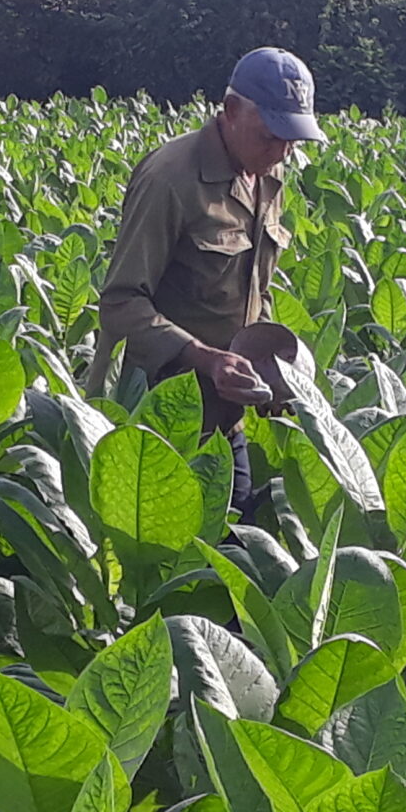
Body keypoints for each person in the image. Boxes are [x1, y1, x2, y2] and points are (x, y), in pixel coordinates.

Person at [90, 46, 323, 510]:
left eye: (292, 139)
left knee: (231, 550)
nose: (281, 151)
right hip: (151, 419)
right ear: (231, 112)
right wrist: (201, 357)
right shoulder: (170, 179)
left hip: (221, 417)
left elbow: (256, 288)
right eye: (270, 135)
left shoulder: (267, 175)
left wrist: (274, 369)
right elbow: (120, 303)